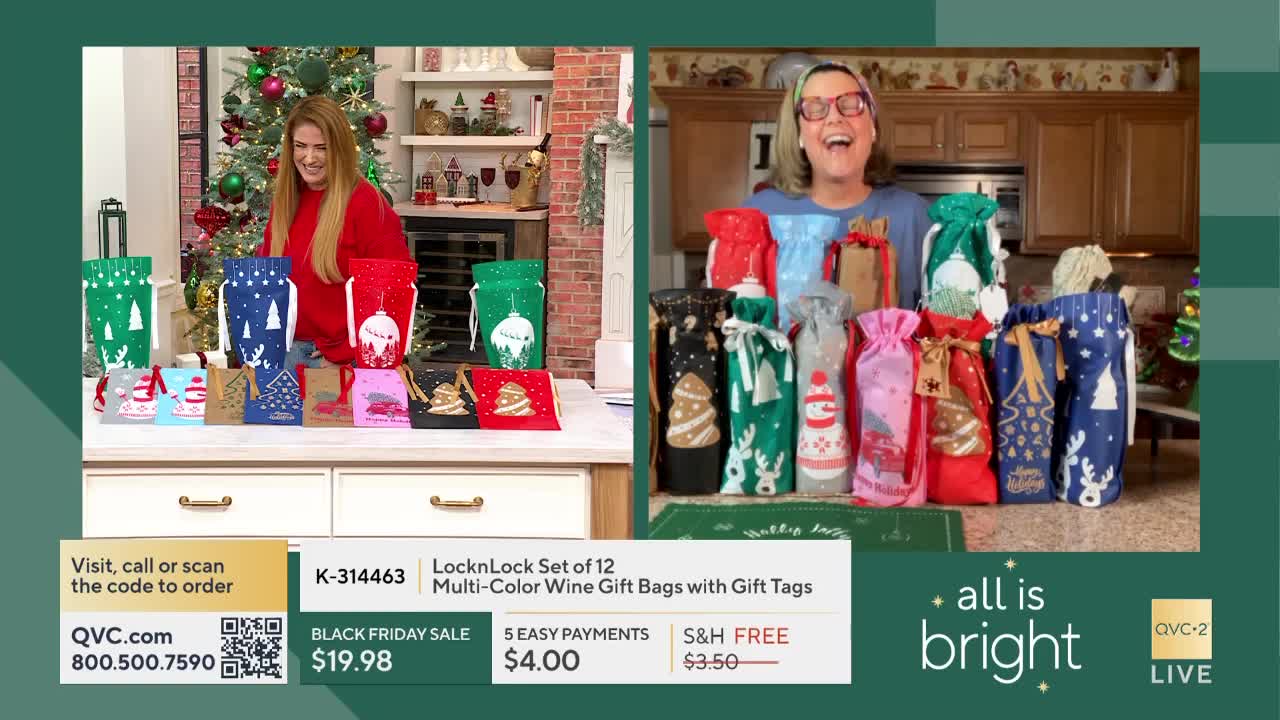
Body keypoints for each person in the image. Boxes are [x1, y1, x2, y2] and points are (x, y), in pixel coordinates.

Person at [745, 61, 930, 308]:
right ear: (799, 134)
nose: (834, 118)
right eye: (815, 108)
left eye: (851, 104)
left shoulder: (914, 216)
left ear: (873, 127)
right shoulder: (758, 216)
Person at [259, 95, 411, 368]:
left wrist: (347, 351)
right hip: (281, 354)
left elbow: (395, 287)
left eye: (321, 148)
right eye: (300, 146)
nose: (309, 158)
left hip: (334, 362)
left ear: (339, 148)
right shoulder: (285, 201)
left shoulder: (366, 204)